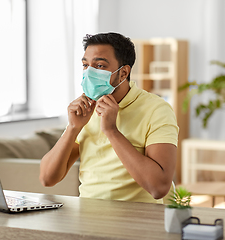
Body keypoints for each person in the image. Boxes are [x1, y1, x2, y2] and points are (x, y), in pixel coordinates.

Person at [39, 32, 179, 203]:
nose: (89, 73)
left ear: (123, 73)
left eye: (99, 66)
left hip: (139, 220)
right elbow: (47, 178)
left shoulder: (157, 109)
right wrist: (73, 128)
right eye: (85, 65)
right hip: (89, 216)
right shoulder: (86, 109)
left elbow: (158, 187)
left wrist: (111, 131)